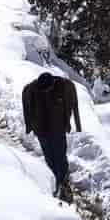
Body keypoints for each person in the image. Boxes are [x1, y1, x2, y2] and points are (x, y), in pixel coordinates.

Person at [21, 72, 81, 202]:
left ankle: (63, 183)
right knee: (49, 157)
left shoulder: (63, 87)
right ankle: (54, 181)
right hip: (42, 130)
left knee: (60, 155)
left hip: (58, 129)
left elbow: (73, 104)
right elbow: (27, 108)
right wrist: (29, 126)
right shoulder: (31, 90)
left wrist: (74, 123)